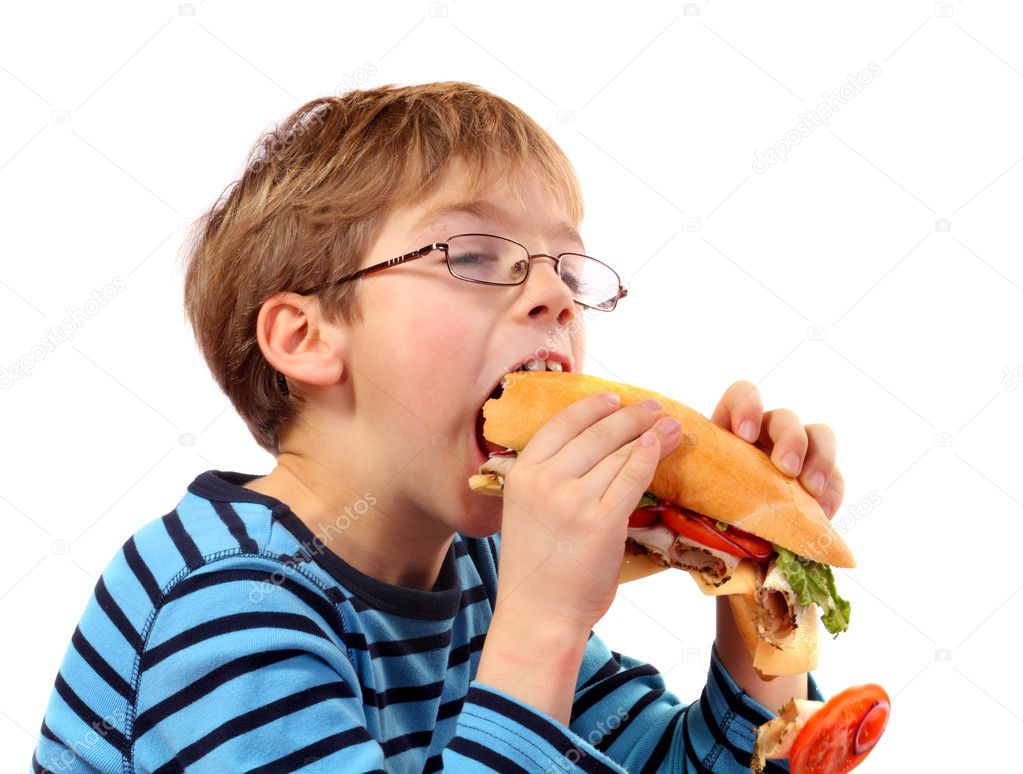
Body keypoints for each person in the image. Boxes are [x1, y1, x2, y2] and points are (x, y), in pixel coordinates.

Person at [31, 81, 844, 773]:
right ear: (306, 339)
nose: (553, 297)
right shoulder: (224, 601)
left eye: (566, 268)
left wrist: (756, 581)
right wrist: (541, 629)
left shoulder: (483, 575)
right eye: (477, 255)